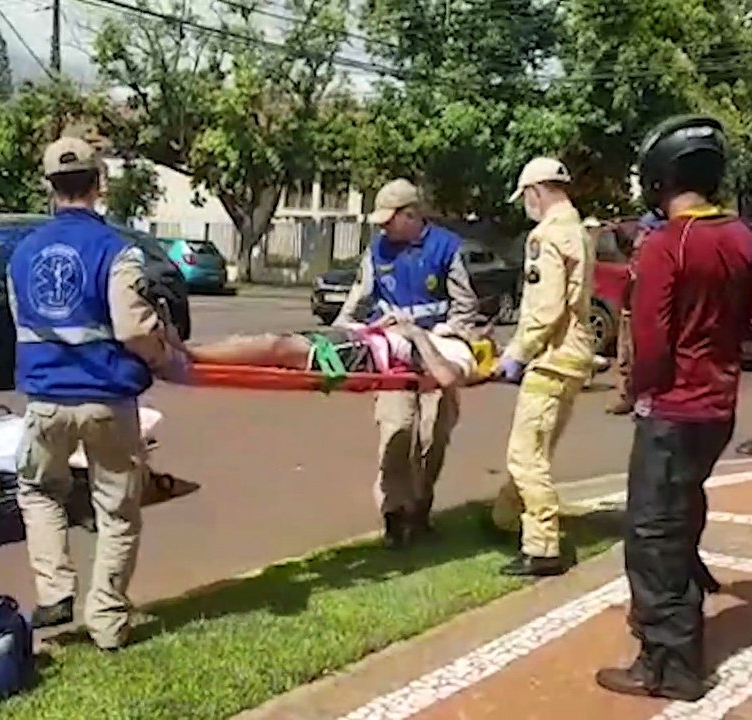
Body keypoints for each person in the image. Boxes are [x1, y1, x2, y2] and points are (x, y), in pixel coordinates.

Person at [595, 115, 752, 701]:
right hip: (719, 406)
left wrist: (638, 393)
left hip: (673, 409)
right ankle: (678, 631)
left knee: (651, 536)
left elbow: (651, 340)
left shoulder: (669, 244)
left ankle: (670, 666)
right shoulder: (743, 237)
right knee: (681, 516)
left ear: (660, 177)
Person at [7, 136, 186, 650]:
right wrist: (162, 356)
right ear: (98, 183)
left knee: (39, 490)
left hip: (46, 398)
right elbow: (132, 329)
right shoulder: (117, 251)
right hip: (107, 397)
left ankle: (55, 590)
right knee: (116, 509)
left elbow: (22, 321)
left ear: (49, 187)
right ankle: (107, 621)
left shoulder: (22, 253)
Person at [334, 178, 480, 549]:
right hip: (395, 357)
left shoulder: (446, 248)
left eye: (390, 219)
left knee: (434, 435)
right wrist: (347, 334)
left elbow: (465, 306)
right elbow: (356, 303)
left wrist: (448, 335)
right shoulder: (377, 251)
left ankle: (420, 505)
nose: (383, 227)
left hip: (437, 353)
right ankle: (394, 517)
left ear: (412, 215)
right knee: (396, 431)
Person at [488, 157, 596, 578]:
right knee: (537, 447)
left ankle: (542, 545)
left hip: (552, 356)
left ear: (536, 192)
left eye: (526, 198)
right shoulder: (580, 232)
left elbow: (545, 307)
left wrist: (517, 351)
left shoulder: (546, 237)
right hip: (574, 355)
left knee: (526, 454)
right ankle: (504, 516)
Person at [184, 314, 499, 389]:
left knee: (276, 346)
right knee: (273, 342)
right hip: (362, 340)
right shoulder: (444, 336)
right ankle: (190, 350)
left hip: (362, 355)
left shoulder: (462, 355)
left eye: (476, 325)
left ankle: (190, 354)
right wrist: (381, 324)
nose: (466, 322)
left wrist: (416, 333)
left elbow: (446, 377)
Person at [607, 213, 666, 415]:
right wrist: (617, 232)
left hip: (647, 310)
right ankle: (627, 396)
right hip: (629, 306)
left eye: (645, 232)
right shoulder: (638, 251)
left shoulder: (659, 254)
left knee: (644, 356)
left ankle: (647, 398)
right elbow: (626, 248)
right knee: (625, 355)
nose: (640, 237)